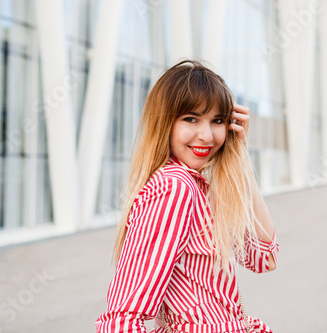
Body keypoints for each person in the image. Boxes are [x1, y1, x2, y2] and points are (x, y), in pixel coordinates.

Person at [95, 60, 279, 333]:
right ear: (165, 123)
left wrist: (240, 157)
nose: (206, 136)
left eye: (217, 121)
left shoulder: (199, 188)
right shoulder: (175, 189)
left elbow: (264, 258)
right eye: (191, 118)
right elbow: (121, 318)